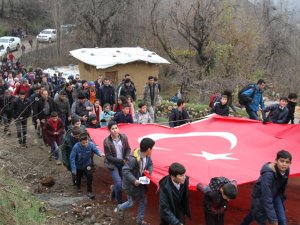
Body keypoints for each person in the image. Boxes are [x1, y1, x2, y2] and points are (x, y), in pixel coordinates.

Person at [240, 150, 292, 225]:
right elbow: (266, 197)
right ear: (276, 161)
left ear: (290, 164)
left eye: (287, 162)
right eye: (282, 161)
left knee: (282, 220)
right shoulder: (268, 175)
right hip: (261, 196)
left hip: (276, 194)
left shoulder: (286, 170)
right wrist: (273, 220)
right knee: (257, 215)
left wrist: (281, 199)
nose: (284, 164)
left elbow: (283, 187)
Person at [115, 138, 155, 225]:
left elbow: (150, 164)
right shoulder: (133, 159)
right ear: (148, 149)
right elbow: (125, 170)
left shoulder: (147, 156)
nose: (153, 150)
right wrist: (134, 180)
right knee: (131, 203)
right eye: (152, 148)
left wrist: (149, 171)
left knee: (143, 200)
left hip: (140, 183)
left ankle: (139, 220)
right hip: (131, 185)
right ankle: (120, 207)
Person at [103, 121, 131, 204]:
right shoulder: (106, 141)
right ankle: (120, 203)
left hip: (123, 163)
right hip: (112, 165)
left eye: (116, 128)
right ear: (109, 131)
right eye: (112, 129)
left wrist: (126, 157)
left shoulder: (124, 137)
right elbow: (108, 157)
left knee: (122, 183)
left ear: (118, 129)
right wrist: (121, 160)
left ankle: (113, 189)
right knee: (119, 184)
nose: (115, 130)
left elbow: (128, 149)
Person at [70, 133, 103, 199]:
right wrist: (74, 169)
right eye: (83, 143)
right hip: (79, 165)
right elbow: (72, 158)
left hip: (88, 164)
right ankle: (78, 186)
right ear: (80, 141)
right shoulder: (76, 147)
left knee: (89, 177)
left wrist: (100, 154)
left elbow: (96, 150)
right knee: (79, 176)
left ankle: (89, 192)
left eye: (86, 142)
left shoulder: (91, 144)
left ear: (88, 140)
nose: (85, 144)